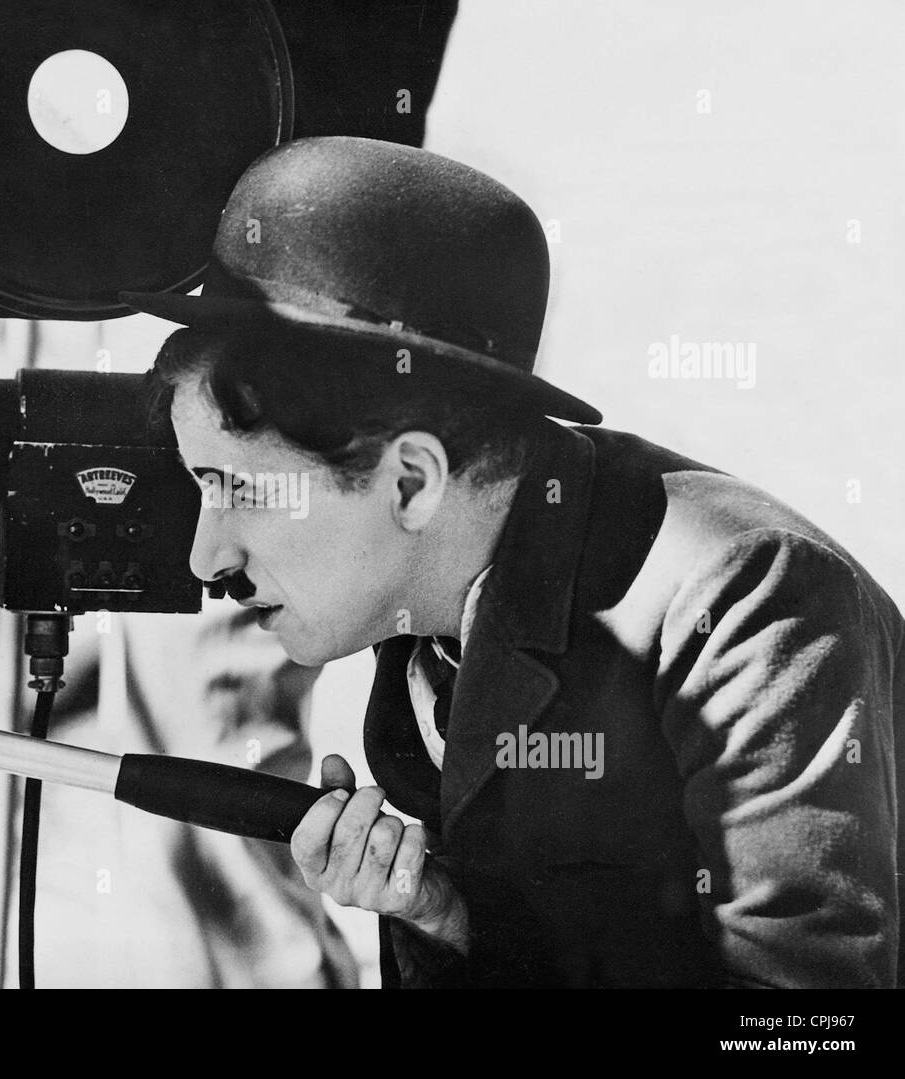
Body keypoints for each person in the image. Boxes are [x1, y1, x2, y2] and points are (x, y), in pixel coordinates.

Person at [122, 136, 905, 988]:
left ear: (413, 482)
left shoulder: (749, 606)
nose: (207, 558)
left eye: (242, 491)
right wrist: (448, 918)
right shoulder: (431, 593)